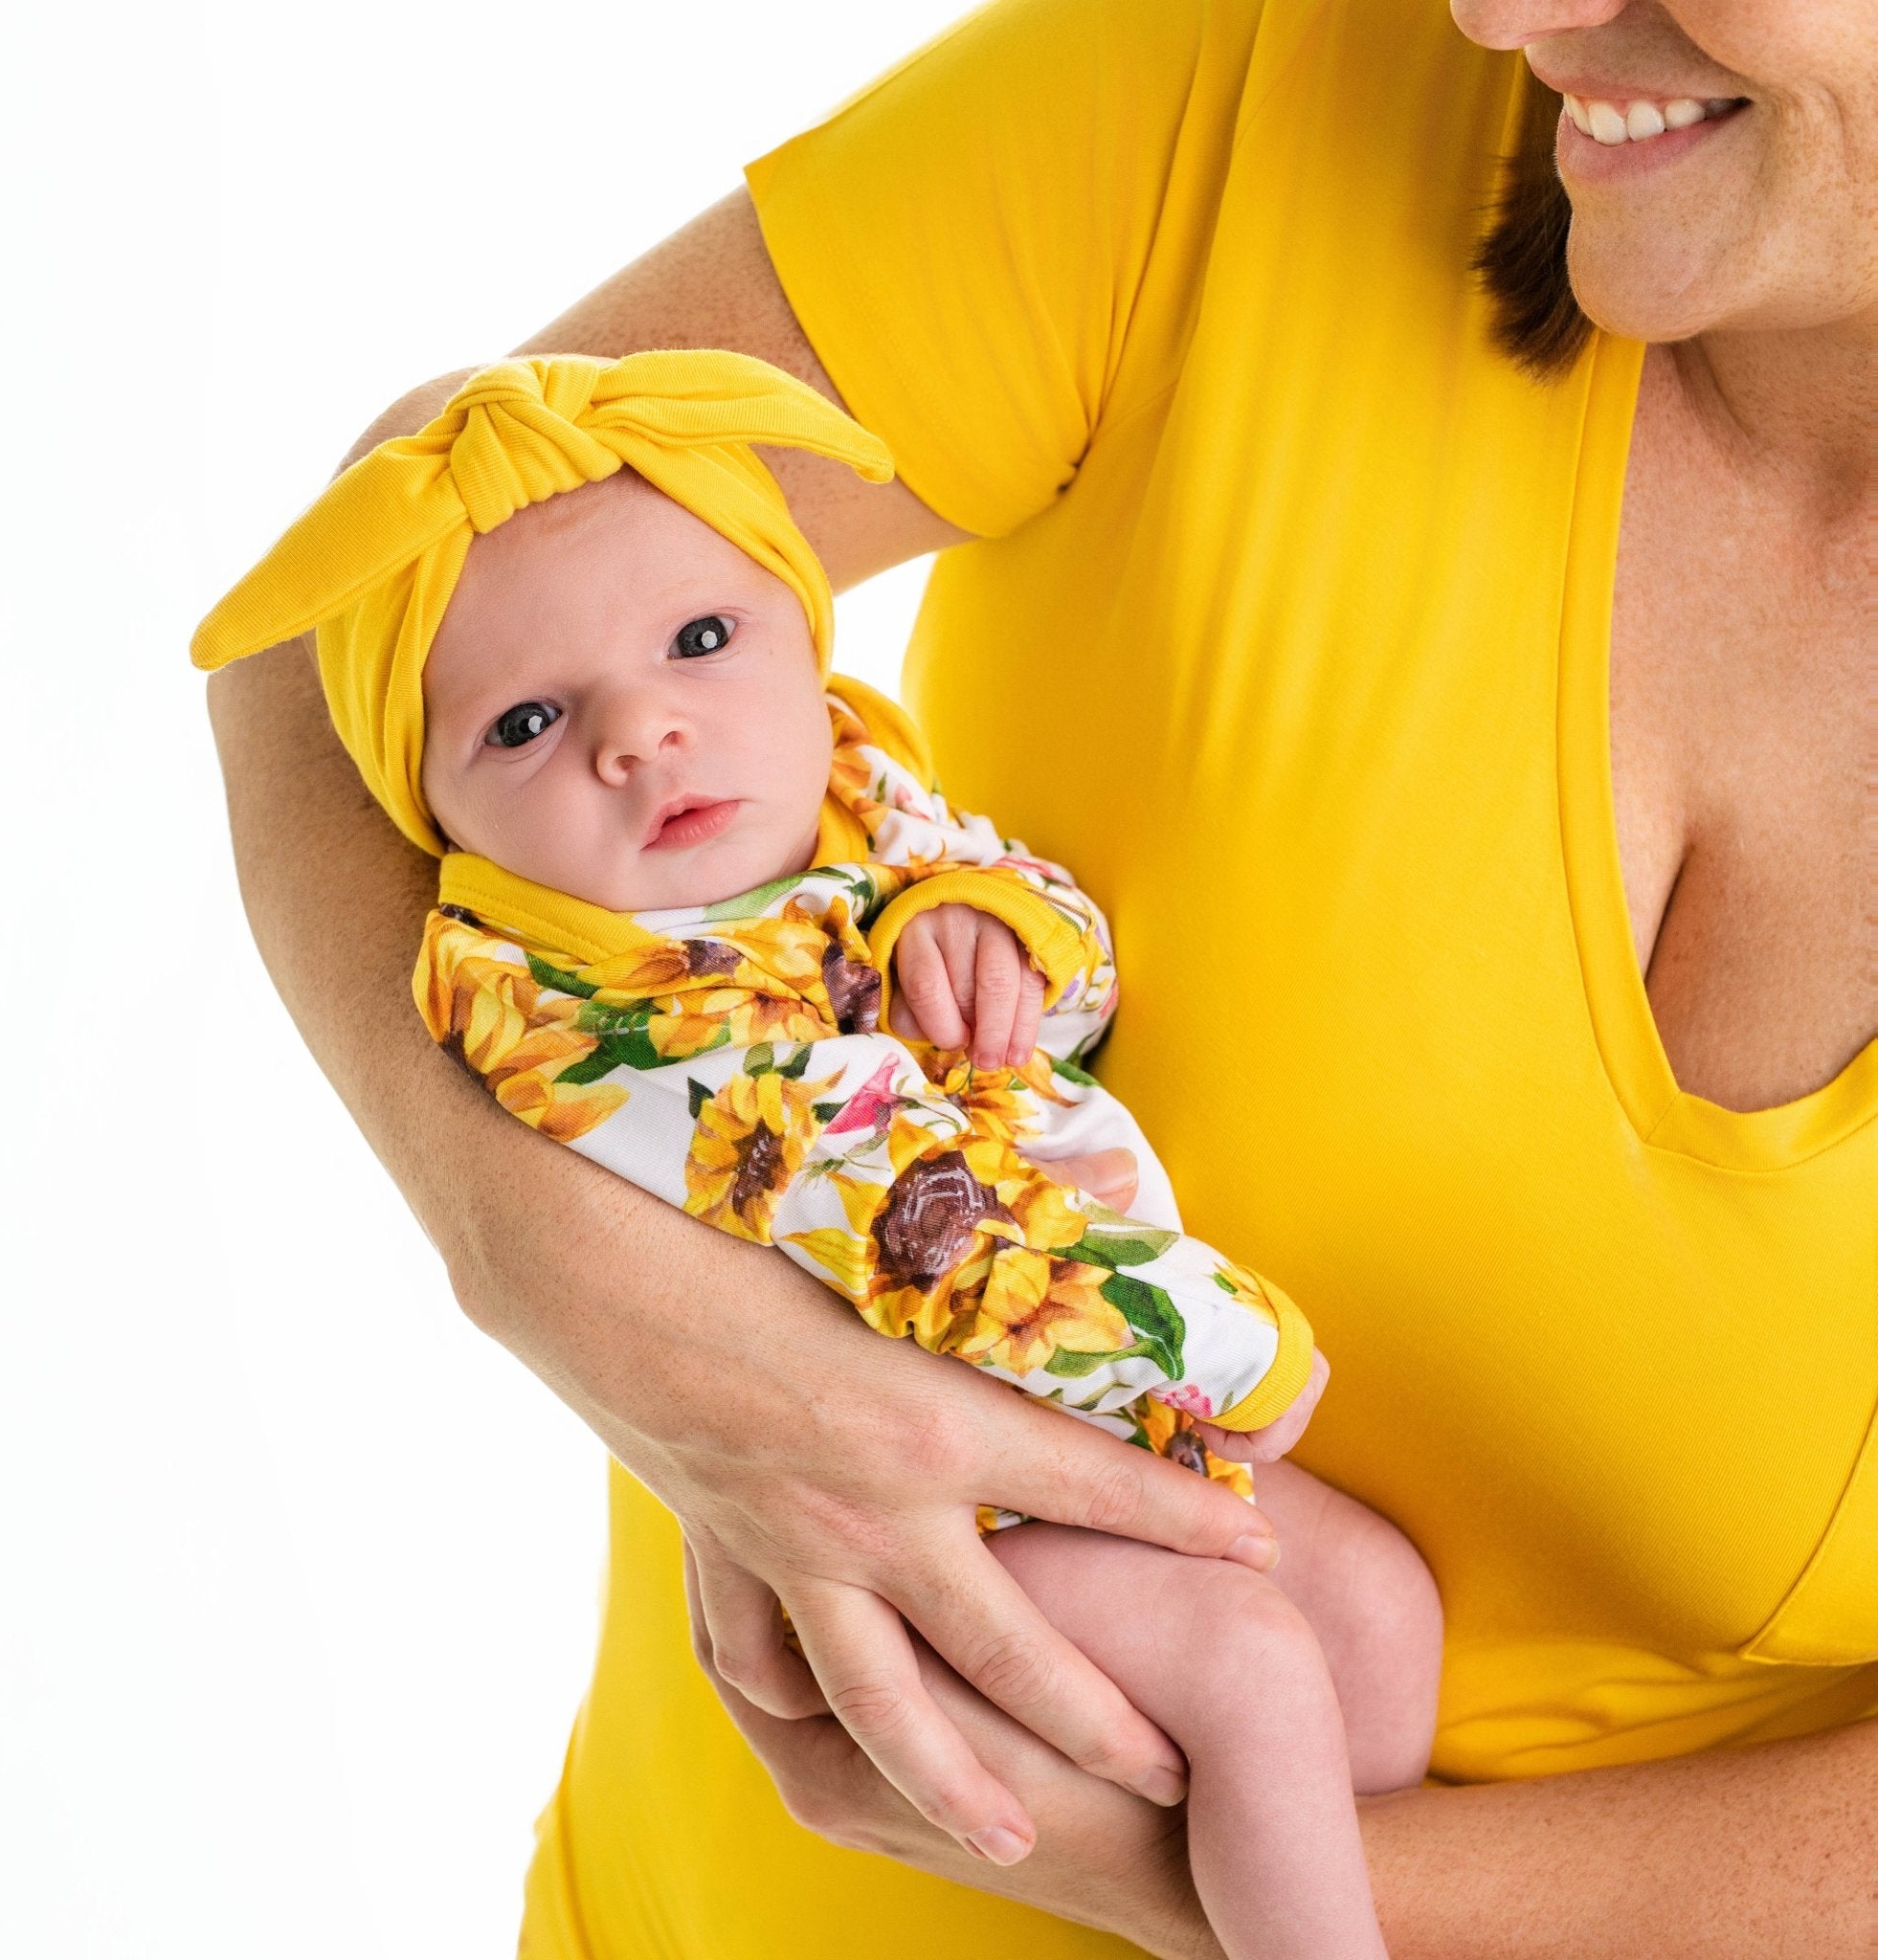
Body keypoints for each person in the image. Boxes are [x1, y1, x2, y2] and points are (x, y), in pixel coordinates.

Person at [204, 0, 1876, 1951]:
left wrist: (1190, 1875)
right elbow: (350, 614)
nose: (1504, 12)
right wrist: (551, 1260)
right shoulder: (1268, 80)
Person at [192, 345, 1441, 1957]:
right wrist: (1215, 1353)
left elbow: (1062, 957)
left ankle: (1326, 1907)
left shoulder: (859, 809)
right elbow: (889, 1218)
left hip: (1104, 1442)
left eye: (701, 640)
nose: (640, 733)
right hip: (924, 1483)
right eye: (522, 723)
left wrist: (991, 925)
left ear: (807, 635)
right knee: (1258, 1674)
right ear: (427, 810)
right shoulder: (573, 1009)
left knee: (1375, 1608)